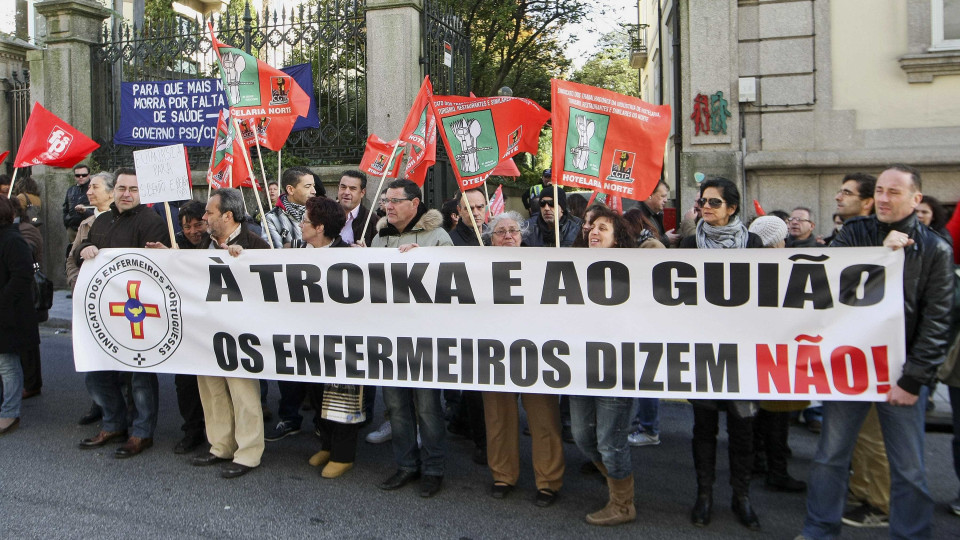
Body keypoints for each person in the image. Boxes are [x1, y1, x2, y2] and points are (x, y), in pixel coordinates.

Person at [799, 165, 953, 540]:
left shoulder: (935, 249)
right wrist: (874, 257)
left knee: (909, 468)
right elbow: (825, 285)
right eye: (880, 191)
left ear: (916, 200)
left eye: (894, 192)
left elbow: (938, 321)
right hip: (849, 368)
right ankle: (819, 529)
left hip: (901, 375)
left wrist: (914, 379)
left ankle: (911, 534)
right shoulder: (854, 234)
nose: (883, 199)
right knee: (830, 458)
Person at [681, 177, 763, 531]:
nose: (705, 207)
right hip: (702, 352)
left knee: (743, 429)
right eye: (702, 202)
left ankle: (741, 496)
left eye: (714, 202)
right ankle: (704, 495)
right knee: (704, 428)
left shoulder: (755, 244)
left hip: (743, 353)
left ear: (732, 208)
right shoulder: (688, 244)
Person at [76, 168, 169, 458]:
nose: (127, 194)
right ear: (114, 190)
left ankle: (141, 433)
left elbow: (160, 268)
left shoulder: (152, 222)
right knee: (96, 372)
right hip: (104, 312)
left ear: (142, 193)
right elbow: (81, 248)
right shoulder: (101, 220)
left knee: (139, 376)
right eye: (121, 188)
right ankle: (113, 423)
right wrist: (86, 246)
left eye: (133, 189)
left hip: (138, 314)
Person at [372, 178, 452, 498]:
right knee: (396, 406)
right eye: (386, 201)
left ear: (414, 203)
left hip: (425, 338)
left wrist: (427, 259)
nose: (388, 206)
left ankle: (433, 469)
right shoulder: (380, 236)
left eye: (394, 201)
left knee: (428, 408)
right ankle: (406, 465)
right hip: (391, 336)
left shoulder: (438, 236)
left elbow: (455, 280)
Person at [479, 211, 565, 507]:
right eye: (500, 231)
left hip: (536, 352)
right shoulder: (475, 264)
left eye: (513, 230)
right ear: (491, 239)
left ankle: (549, 481)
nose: (507, 236)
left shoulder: (541, 263)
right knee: (498, 417)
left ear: (522, 235)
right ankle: (503, 474)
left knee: (544, 419)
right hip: (495, 352)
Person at [190, 188, 268, 479]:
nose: (204, 217)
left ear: (228, 215)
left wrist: (242, 260)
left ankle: (248, 453)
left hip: (240, 333)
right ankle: (220, 445)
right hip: (207, 331)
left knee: (243, 392)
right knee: (212, 390)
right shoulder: (202, 246)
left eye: (209, 212)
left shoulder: (256, 246)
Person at [570, 205, 637, 526]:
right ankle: (614, 480)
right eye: (591, 227)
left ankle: (623, 504)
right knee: (583, 436)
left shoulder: (637, 271)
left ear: (618, 238)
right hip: (580, 367)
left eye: (603, 228)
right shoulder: (570, 265)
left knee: (611, 442)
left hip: (616, 369)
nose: (594, 231)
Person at [297, 196, 364, 478]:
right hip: (311, 338)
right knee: (318, 393)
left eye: (305, 221)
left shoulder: (350, 255)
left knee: (342, 395)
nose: (300, 225)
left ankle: (343, 454)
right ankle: (327, 444)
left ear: (320, 227)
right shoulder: (301, 252)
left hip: (344, 340)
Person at [747, 216, 808, 494]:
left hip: (759, 351)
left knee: (761, 414)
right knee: (776, 417)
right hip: (777, 353)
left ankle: (758, 459)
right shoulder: (781, 266)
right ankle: (777, 469)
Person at [145, 199, 209, 455]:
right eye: (188, 227)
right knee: (186, 384)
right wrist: (168, 256)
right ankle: (192, 431)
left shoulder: (216, 244)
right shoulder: (175, 244)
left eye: (199, 225)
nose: (194, 231)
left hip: (213, 326)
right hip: (184, 329)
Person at [445, 188, 488, 465]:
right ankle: (482, 442)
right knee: (474, 385)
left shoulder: (494, 236)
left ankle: (461, 422)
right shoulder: (448, 241)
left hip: (490, 319)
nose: (476, 212)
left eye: (480, 206)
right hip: (464, 321)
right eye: (469, 208)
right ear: (458, 212)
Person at [0, 196, 39, 435]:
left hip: (8, 314)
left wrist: (2, 300)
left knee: (7, 366)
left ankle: (9, 413)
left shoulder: (12, 239)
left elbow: (23, 275)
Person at [14, 195, 43, 400]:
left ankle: (32, 383)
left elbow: (30, 251)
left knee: (27, 343)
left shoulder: (26, 230)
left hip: (28, 293)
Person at [261, 166, 318, 248]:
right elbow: (274, 252)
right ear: (290, 190)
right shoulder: (272, 218)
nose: (314, 191)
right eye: (308, 186)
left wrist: (291, 245)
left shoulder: (319, 213)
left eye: (313, 186)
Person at [336, 170, 376, 247]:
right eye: (343, 187)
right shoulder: (324, 214)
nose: (346, 192)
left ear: (362, 192)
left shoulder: (372, 221)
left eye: (352, 188)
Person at [62, 164, 93, 256]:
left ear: (89, 175)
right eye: (77, 175)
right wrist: (67, 221)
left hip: (88, 228)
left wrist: (85, 212)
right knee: (73, 254)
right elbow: (66, 208)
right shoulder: (71, 190)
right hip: (73, 228)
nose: (81, 177)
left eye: (84, 175)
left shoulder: (93, 189)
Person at [638, 180, 679, 246]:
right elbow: (640, 243)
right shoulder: (637, 215)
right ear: (650, 195)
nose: (666, 200)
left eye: (666, 197)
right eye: (662, 196)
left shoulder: (655, 213)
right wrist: (665, 239)